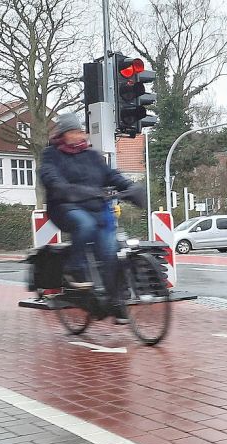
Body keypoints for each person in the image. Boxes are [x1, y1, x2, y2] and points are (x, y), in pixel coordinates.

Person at [40, 112, 145, 323]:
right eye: (74, 131)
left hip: (96, 206)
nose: (80, 135)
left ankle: (112, 301)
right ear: (64, 134)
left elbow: (111, 175)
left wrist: (129, 187)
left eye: (81, 131)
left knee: (110, 251)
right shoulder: (51, 155)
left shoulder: (92, 156)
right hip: (66, 206)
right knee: (85, 225)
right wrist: (66, 190)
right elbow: (50, 177)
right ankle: (75, 268)